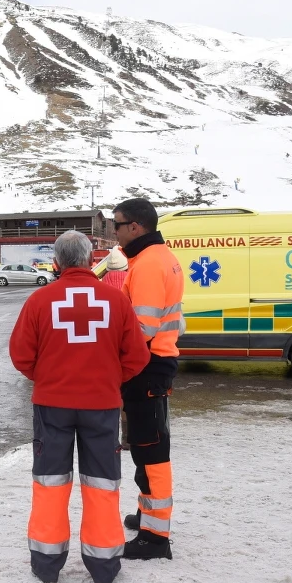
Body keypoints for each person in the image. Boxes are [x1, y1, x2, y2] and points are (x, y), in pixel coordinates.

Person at [9, 231, 150, 583]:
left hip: (51, 406)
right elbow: (137, 356)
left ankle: (46, 565)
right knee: (102, 484)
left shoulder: (41, 300)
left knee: (50, 483)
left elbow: (21, 355)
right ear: (91, 260)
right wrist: (108, 379)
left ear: (56, 262)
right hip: (101, 407)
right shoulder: (115, 301)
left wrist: (48, 378)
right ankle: (104, 568)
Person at [112, 198, 184, 560]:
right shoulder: (157, 258)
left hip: (147, 366)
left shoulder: (149, 265)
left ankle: (155, 538)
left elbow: (141, 328)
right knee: (146, 447)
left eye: (117, 225)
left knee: (150, 450)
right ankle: (147, 517)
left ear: (135, 227)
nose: (115, 232)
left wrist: (112, 356)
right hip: (155, 363)